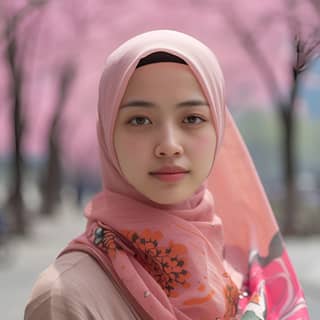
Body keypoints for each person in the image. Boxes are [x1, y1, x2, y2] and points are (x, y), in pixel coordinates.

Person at [24, 30, 309, 319]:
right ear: (108, 135)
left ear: (219, 131)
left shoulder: (246, 272)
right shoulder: (67, 299)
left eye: (192, 119)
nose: (169, 145)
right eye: (139, 120)